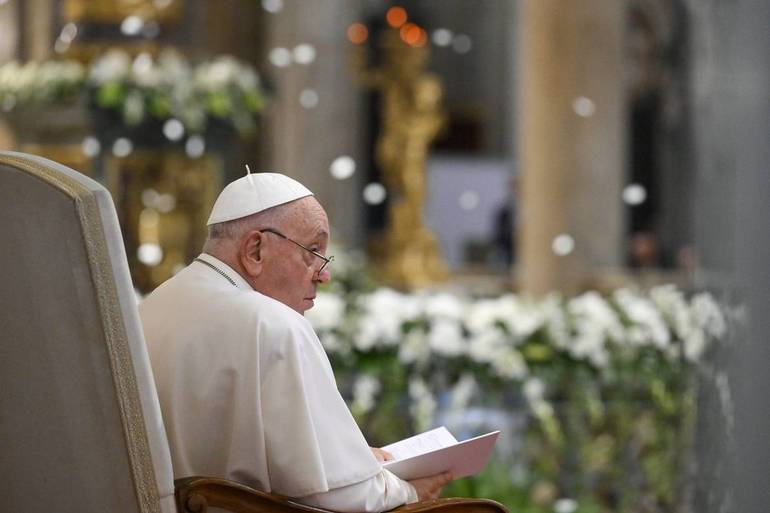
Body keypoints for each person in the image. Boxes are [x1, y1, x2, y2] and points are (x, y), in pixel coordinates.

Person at [139, 171, 451, 513]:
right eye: (312, 251)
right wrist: (407, 490)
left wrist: (359, 462)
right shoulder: (273, 324)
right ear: (255, 250)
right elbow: (339, 496)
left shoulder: (148, 308)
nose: (324, 274)